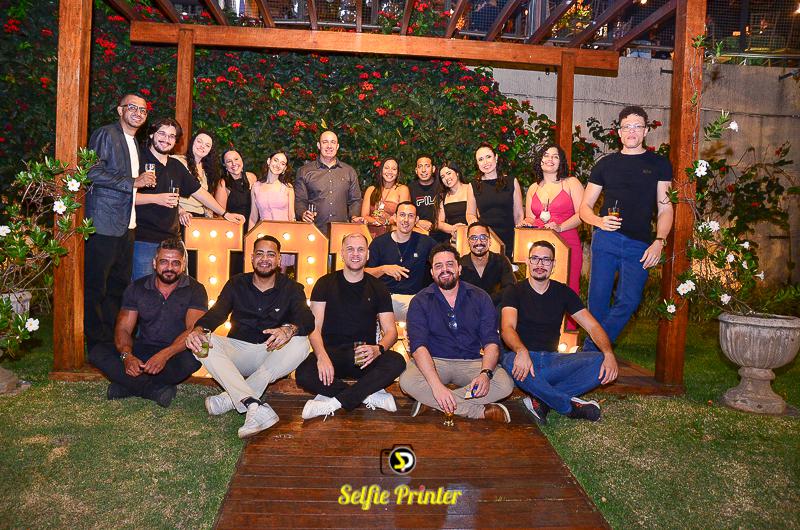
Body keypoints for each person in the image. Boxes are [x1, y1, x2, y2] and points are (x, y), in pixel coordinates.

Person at [185, 235, 314, 438]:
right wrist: (199, 329)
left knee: (302, 343)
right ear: (252, 258)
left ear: (279, 259)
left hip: (272, 352)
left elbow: (307, 319)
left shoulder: (292, 288)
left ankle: (233, 399)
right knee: (200, 342)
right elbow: (217, 313)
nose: (265, 259)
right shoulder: (236, 283)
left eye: (270, 254)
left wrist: (288, 329)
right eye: (260, 254)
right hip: (238, 351)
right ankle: (253, 403)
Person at [579, 106, 673, 350]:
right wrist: (598, 221)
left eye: (637, 126)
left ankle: (592, 349)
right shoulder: (605, 164)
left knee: (629, 300)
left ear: (645, 131)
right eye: (627, 127)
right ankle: (596, 356)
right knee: (597, 301)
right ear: (619, 132)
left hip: (640, 243)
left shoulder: (659, 164)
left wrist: (660, 240)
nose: (632, 131)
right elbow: (584, 208)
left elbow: (665, 208)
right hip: (606, 239)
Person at [500, 240, 619, 424]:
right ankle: (569, 407)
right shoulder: (514, 291)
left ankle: (541, 399)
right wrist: (521, 351)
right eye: (535, 259)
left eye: (546, 260)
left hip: (553, 362)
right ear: (528, 262)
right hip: (523, 362)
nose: (540, 264)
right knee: (508, 360)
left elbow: (593, 327)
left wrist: (609, 353)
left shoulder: (563, 292)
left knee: (600, 361)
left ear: (553, 264)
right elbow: (507, 328)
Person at [295, 233, 406, 420]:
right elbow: (314, 328)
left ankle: (333, 402)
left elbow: (391, 332)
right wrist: (321, 356)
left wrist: (378, 349)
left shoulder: (378, 287)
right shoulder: (324, 283)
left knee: (397, 361)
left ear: (367, 255)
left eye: (360, 249)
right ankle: (366, 394)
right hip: (331, 354)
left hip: (363, 355)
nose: (355, 254)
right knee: (304, 374)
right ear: (342, 254)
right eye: (350, 249)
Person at [400, 243, 514, 422]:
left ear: (459, 268)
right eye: (438, 266)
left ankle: (433, 403)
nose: (444, 270)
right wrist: (437, 386)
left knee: (505, 384)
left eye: (449, 264)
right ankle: (478, 412)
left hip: (471, 361)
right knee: (407, 381)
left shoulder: (480, 297)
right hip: (434, 361)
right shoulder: (420, 301)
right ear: (432, 272)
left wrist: (485, 373)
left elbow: (491, 341)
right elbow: (418, 346)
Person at [88, 238, 206, 407]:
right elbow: (124, 329)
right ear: (154, 263)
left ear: (183, 265)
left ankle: (127, 386)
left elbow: (193, 330)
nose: (169, 268)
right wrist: (127, 356)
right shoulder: (136, 287)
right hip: (143, 350)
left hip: (176, 353)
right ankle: (154, 390)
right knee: (97, 352)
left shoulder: (195, 289)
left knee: (194, 359)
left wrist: (164, 355)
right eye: (164, 262)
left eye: (175, 263)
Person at [84, 93, 156, 349]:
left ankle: (112, 339)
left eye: (143, 110)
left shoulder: (134, 142)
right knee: (96, 287)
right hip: (104, 223)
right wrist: (133, 181)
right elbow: (91, 171)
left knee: (118, 287)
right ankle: (95, 341)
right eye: (132, 107)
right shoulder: (106, 134)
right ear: (120, 110)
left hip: (127, 225)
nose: (138, 113)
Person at [132, 118, 244, 280]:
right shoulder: (137, 159)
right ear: (151, 134)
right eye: (162, 133)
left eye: (171, 136)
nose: (166, 139)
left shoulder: (176, 166)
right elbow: (125, 195)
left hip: (172, 240)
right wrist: (157, 199)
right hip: (143, 239)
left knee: (175, 288)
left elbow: (200, 193)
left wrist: (225, 213)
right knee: (143, 288)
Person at [521, 143, 585, 298]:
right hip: (540, 245)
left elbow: (582, 214)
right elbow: (530, 217)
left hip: (567, 241)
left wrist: (560, 227)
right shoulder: (533, 188)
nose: (550, 159)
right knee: (538, 289)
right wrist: (526, 223)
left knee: (568, 288)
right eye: (546, 155)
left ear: (560, 162)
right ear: (540, 159)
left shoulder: (571, 183)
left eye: (555, 156)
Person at [365, 201, 436, 321]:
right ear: (395, 217)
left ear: (416, 220)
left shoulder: (426, 242)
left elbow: (443, 258)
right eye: (402, 215)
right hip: (386, 299)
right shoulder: (379, 243)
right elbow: (364, 273)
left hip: (414, 300)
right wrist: (384, 269)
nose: (406, 220)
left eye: (410, 216)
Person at [295, 130, 362, 230]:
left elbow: (355, 200)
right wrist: (303, 213)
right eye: (325, 142)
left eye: (333, 142)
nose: (329, 146)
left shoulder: (349, 171)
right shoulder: (304, 171)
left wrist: (354, 217)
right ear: (319, 145)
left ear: (337, 146)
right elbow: (300, 201)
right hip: (313, 230)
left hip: (341, 231)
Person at [473, 143, 524, 258]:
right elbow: (470, 214)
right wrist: (474, 225)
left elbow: (519, 215)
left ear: (496, 157)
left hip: (509, 238)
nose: (485, 162)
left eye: (488, 157)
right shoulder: (474, 185)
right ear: (477, 163)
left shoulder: (511, 181)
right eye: (481, 159)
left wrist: (518, 241)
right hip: (485, 240)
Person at [459, 222, 515, 307]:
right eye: (474, 238)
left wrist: (487, 300)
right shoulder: (460, 264)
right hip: (468, 309)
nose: (479, 242)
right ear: (468, 242)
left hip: (495, 308)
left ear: (490, 241)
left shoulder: (501, 261)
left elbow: (510, 288)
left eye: (483, 237)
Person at [359, 157, 411, 239]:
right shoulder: (371, 190)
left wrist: (387, 221)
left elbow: (404, 216)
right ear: (381, 171)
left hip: (392, 236)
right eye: (386, 168)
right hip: (370, 234)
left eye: (394, 169)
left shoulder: (402, 189)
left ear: (398, 173)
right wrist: (377, 221)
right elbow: (364, 216)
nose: (390, 171)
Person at [174, 129, 219, 219]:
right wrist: (180, 211)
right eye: (199, 141)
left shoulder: (207, 171)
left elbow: (206, 200)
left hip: (200, 217)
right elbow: (166, 190)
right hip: (180, 215)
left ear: (210, 150)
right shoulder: (177, 161)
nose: (202, 146)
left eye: (207, 145)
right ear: (192, 142)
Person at [248, 150, 295, 229]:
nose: (278, 165)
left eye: (282, 163)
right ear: (269, 161)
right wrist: (249, 236)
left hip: (284, 232)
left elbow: (291, 217)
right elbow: (253, 217)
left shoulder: (288, 188)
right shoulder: (256, 187)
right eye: (275, 160)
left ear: (284, 168)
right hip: (264, 233)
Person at [432, 162, 477, 243]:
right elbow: (439, 223)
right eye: (443, 177)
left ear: (457, 173)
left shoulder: (471, 189)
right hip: (453, 237)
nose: (446, 178)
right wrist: (454, 229)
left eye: (448, 173)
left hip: (474, 235)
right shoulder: (441, 196)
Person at [407, 155, 438, 232]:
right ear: (416, 170)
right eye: (420, 166)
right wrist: (417, 222)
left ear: (433, 169)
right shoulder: (410, 188)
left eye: (427, 166)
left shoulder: (441, 186)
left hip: (441, 232)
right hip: (418, 231)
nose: (423, 170)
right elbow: (406, 211)